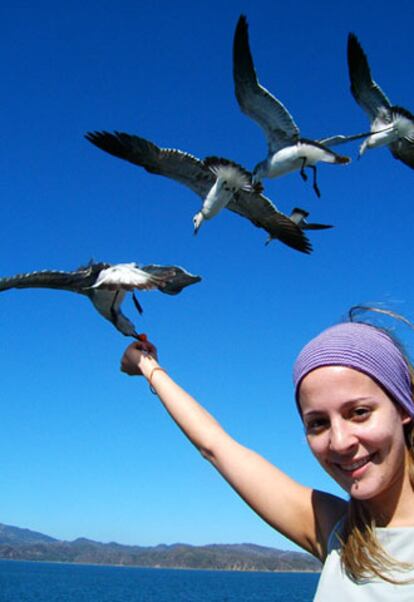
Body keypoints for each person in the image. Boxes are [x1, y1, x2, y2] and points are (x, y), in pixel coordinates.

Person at [120, 313, 414, 600]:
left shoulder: (332, 528)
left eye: (359, 413)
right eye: (318, 423)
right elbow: (215, 446)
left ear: (403, 407)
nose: (339, 442)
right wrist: (148, 366)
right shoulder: (338, 532)